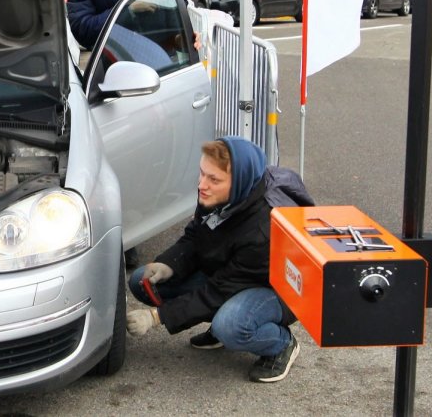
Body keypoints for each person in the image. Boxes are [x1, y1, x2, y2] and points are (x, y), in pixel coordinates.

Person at [125, 137, 314, 383]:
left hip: (277, 290)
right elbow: (196, 234)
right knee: (144, 281)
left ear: (239, 183)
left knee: (231, 326)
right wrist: (169, 263)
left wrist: (156, 317)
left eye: (214, 179)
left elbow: (218, 291)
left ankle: (280, 344)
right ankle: (219, 326)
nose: (202, 184)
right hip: (233, 274)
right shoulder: (217, 194)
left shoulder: (262, 230)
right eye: (202, 173)